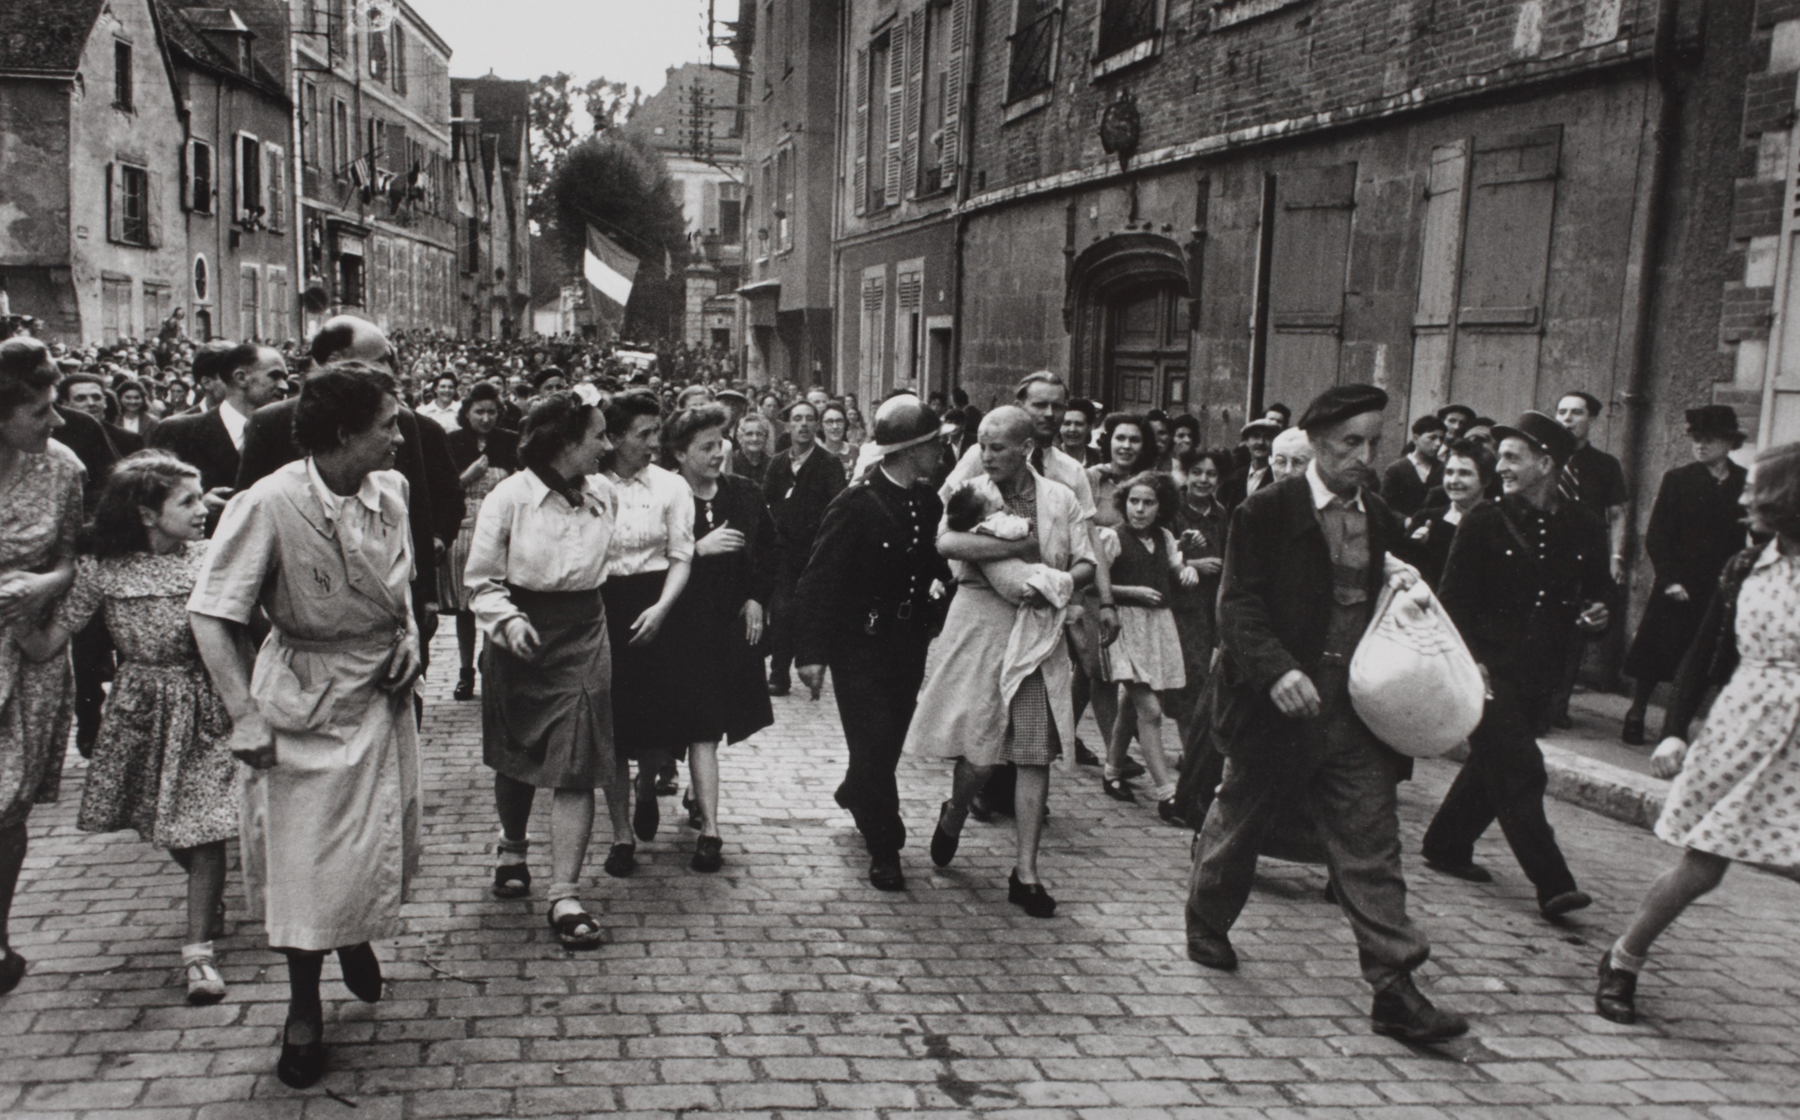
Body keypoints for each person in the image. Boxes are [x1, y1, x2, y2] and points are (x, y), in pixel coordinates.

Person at [1184, 384, 1467, 1044]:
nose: (1364, 456)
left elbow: (1382, 598)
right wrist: (1277, 668)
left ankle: (1395, 988)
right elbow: (1238, 606)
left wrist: (1407, 595)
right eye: (1350, 443)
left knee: (1371, 844)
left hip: (1354, 713)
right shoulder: (1266, 512)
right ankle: (1206, 920)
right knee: (1238, 823)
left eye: (1374, 442)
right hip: (1271, 709)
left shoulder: (1381, 516)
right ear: (1315, 443)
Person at [188, 362, 425, 1088]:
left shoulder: (393, 491)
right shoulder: (268, 502)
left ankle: (352, 933)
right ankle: (301, 1010)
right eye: (388, 423)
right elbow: (209, 613)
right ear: (346, 433)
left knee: (378, 839)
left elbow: (401, 587)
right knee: (305, 866)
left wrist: (411, 638)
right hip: (303, 701)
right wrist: (244, 715)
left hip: (379, 697)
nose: (399, 433)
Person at [9, 452, 235, 1004]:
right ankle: (208, 897)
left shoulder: (214, 557)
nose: (202, 507)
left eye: (199, 494)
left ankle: (198, 955)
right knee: (165, 822)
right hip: (140, 709)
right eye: (187, 500)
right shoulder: (103, 569)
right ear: (147, 514)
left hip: (207, 703)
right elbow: (47, 642)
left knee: (203, 833)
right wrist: (15, 614)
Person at [1596, 443, 1800, 1025]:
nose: (1742, 499)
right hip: (1745, 731)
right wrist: (1674, 731)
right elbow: (1705, 654)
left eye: (1755, 490)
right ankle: (1622, 960)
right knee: (1701, 869)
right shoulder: (1744, 568)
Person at [1422, 410, 1612, 921]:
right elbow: (1452, 602)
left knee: (1496, 766)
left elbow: (1599, 592)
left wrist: (1598, 613)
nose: (1500, 466)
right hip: (1487, 670)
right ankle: (1553, 883)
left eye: (1512, 457)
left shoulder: (1583, 525)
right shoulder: (1484, 520)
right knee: (1523, 770)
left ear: (1545, 463)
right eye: (1500, 457)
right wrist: (1471, 663)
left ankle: (1445, 844)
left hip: (1543, 673)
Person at [911, 406, 1096, 913]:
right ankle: (954, 811)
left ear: (1026, 449)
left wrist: (1058, 582)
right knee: (980, 753)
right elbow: (946, 541)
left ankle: (1026, 873)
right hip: (982, 626)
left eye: (998, 447)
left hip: (1039, 633)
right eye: (983, 446)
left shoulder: (1058, 497)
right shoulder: (973, 491)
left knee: (1034, 752)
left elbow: (1086, 559)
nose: (987, 455)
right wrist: (1021, 548)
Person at [464, 391, 616, 950]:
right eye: (599, 435)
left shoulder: (602, 494)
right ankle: (512, 846)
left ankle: (565, 892)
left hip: (584, 632)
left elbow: (609, 564)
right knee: (519, 751)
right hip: (521, 634)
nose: (609, 445)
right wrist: (506, 622)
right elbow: (480, 579)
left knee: (578, 757)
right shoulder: (509, 498)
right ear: (565, 442)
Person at [793, 395, 951, 891]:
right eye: (933, 444)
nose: (940, 453)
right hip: (857, 646)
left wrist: (938, 609)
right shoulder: (856, 503)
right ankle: (886, 845)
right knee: (874, 741)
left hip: (906, 645)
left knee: (885, 743)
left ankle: (857, 790)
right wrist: (811, 654)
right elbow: (818, 580)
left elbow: (934, 566)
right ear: (909, 449)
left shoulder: (927, 501)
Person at [944, 373, 1119, 808]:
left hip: (1045, 605)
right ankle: (977, 790)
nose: (1050, 414)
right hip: (986, 602)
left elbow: (1088, 538)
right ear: (1020, 405)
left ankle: (1021, 800)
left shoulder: (1068, 472)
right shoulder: (980, 456)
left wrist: (1104, 597)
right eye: (1039, 405)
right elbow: (949, 523)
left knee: (1031, 715)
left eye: (1058, 406)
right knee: (985, 712)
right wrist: (1002, 554)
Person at [662, 404, 776, 872]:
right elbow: (642, 556)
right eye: (706, 447)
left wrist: (755, 597)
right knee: (680, 728)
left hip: (725, 628)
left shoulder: (744, 494)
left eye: (720, 444)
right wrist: (696, 550)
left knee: (707, 727)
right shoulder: (665, 495)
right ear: (680, 453)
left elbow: (769, 551)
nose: (717, 453)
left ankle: (708, 825)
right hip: (676, 627)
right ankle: (682, 804)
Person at [0, 337, 81, 997]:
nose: (56, 421)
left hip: (28, 653)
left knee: (8, 808)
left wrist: (42, 584)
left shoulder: (63, 469)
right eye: (39, 412)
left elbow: (73, 558)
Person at [599, 390, 694, 871]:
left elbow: (682, 555)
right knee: (611, 725)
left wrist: (661, 609)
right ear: (613, 438)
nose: (654, 442)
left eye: (657, 431)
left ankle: (647, 783)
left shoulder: (672, 487)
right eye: (644, 434)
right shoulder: (591, 485)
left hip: (659, 603)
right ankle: (620, 836)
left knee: (656, 721)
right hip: (604, 607)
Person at [1619, 406, 1749, 745]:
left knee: (1703, 658)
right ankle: (1637, 710)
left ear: (1729, 442)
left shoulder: (1742, 481)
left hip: (1718, 586)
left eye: (1709, 440)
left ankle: (1674, 727)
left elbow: (1750, 534)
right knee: (1656, 652)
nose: (1700, 446)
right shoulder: (1679, 479)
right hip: (1679, 582)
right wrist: (1670, 579)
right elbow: (1657, 535)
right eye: (1696, 439)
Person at [1098, 471, 1192, 816]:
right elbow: (1096, 584)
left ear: (1161, 507)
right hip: (1123, 628)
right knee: (1150, 710)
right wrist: (1130, 591)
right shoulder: (1111, 537)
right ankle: (1167, 793)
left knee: (1130, 705)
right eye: (1134, 502)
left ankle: (1111, 772)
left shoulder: (1166, 537)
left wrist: (1187, 571)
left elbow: (1177, 568)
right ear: (1124, 504)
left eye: (1148, 503)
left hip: (1156, 628)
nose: (1139, 509)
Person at [1547, 390, 1629, 729]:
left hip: (1583, 560)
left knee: (1573, 634)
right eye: (1562, 411)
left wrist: (1616, 556)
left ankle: (1557, 706)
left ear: (1591, 419)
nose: (1567, 419)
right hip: (1544, 554)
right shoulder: (1544, 458)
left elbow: (1618, 513)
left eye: (1576, 413)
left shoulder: (1605, 465)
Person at [152, 341, 287, 525]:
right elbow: (149, 503)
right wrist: (196, 505)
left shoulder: (288, 434)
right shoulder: (178, 431)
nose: (284, 386)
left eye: (285, 378)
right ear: (241, 378)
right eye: (275, 376)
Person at [764, 400, 847, 697]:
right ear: (788, 425)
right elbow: (767, 503)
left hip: (816, 554)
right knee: (782, 609)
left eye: (809, 419)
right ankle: (778, 673)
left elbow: (838, 508)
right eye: (797, 419)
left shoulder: (828, 464)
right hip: (784, 551)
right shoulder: (778, 463)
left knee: (809, 611)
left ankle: (811, 668)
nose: (803, 425)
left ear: (817, 425)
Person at [446, 382, 520, 701]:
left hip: (501, 530)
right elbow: (445, 489)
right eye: (479, 411)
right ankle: (466, 673)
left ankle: (492, 665)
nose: (486, 418)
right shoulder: (452, 442)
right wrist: (469, 475)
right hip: (463, 529)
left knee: (498, 600)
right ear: (467, 413)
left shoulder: (510, 441)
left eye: (492, 411)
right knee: (466, 606)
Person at [1171, 448, 1231, 741]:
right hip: (1181, 608)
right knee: (1190, 681)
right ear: (1186, 474)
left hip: (1212, 608)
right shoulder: (1172, 510)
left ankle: (1115, 764)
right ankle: (1189, 753)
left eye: (1211, 474)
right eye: (1197, 472)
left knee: (1204, 679)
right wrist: (1193, 563)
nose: (1203, 480)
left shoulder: (1222, 514)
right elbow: (1156, 557)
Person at [1402, 439, 1496, 590]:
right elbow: (1404, 570)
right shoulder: (1425, 518)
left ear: (1485, 480)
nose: (1454, 480)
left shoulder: (1497, 521)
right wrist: (1416, 546)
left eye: (1464, 473)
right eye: (1449, 472)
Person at [1381, 415, 1446, 517]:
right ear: (1416, 439)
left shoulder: (1443, 469)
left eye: (1441, 439)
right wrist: (1406, 521)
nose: (1438, 443)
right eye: (1432, 438)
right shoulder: (1395, 470)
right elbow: (1386, 507)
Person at [1220, 418, 1280, 507]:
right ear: (1246, 442)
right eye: (1256, 436)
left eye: (1267, 437)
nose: (1261, 442)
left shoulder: (1277, 478)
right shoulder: (1235, 477)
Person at [730, 411, 775, 487]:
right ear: (739, 437)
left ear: (765, 437)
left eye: (759, 434)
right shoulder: (731, 462)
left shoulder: (772, 465)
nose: (754, 439)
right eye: (749, 434)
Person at [1060, 400, 1103, 466]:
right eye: (1067, 423)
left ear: (1089, 427)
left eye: (1079, 424)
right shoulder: (1049, 458)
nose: (1072, 429)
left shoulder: (1099, 459)